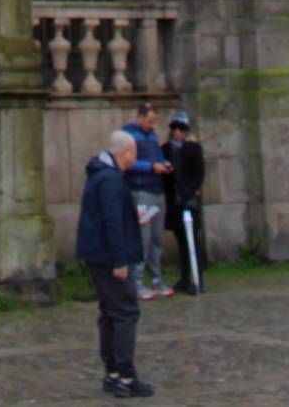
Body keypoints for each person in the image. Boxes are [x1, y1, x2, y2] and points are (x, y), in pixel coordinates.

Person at [76, 130, 153, 400]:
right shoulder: (110, 179)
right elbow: (110, 222)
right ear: (127, 153)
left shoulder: (101, 174)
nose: (135, 159)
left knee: (110, 313)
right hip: (109, 258)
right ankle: (125, 375)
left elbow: (110, 217)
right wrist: (120, 261)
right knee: (125, 313)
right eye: (135, 154)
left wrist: (134, 218)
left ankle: (112, 373)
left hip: (98, 255)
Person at [123, 101, 173, 300]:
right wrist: (151, 167)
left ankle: (156, 277)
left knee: (157, 238)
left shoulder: (152, 136)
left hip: (156, 189)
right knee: (142, 238)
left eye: (154, 122)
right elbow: (128, 162)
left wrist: (163, 164)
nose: (152, 126)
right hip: (140, 190)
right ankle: (136, 281)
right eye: (150, 121)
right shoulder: (129, 136)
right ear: (141, 117)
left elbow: (158, 156)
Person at [165, 112, 207, 294]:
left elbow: (199, 173)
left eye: (180, 129)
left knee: (193, 241)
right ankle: (184, 277)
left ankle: (198, 279)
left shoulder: (193, 148)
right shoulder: (165, 149)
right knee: (181, 241)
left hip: (189, 199)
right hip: (174, 201)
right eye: (174, 129)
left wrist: (190, 191)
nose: (177, 132)